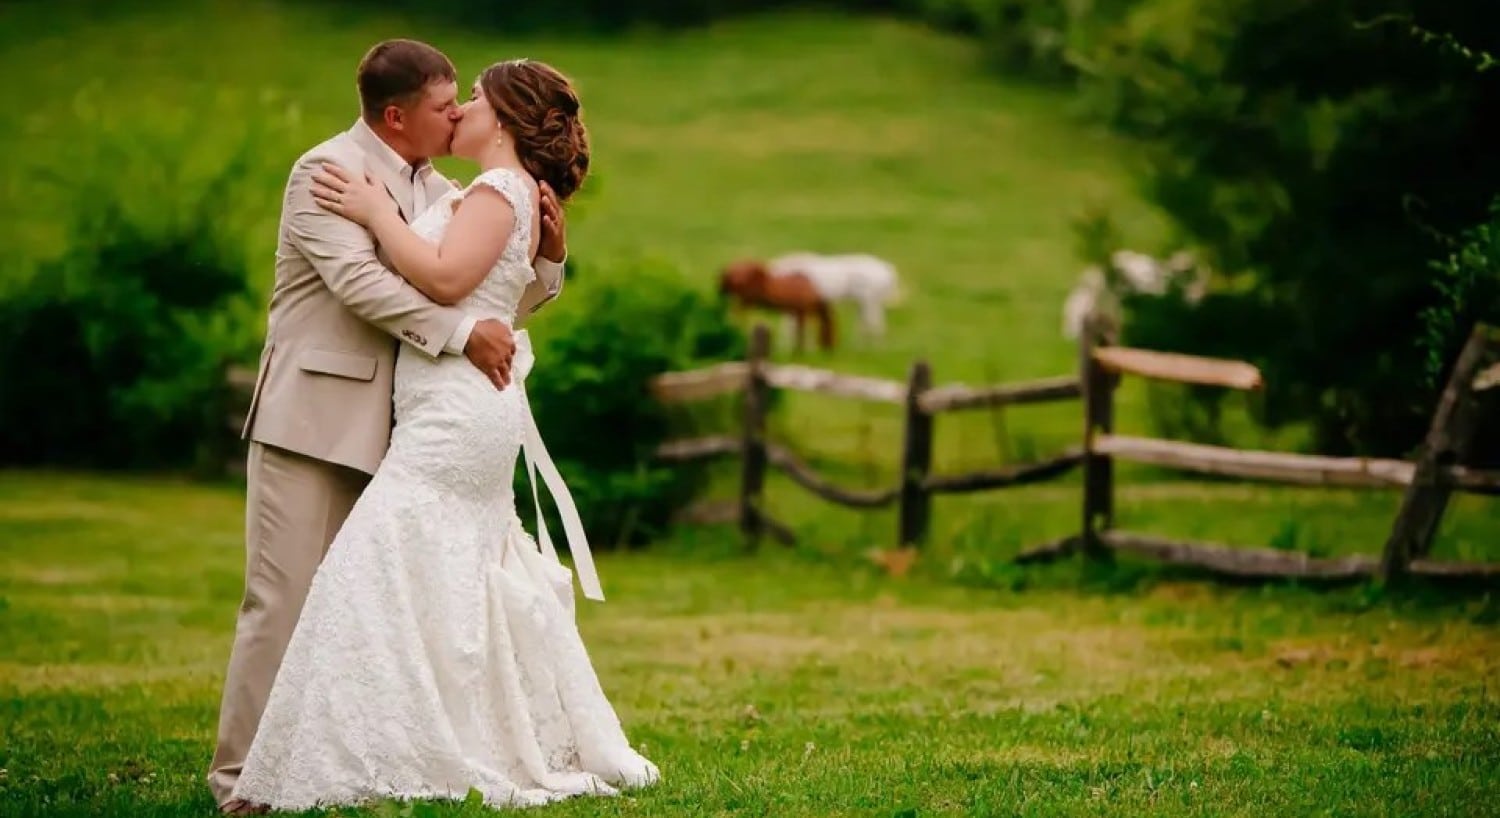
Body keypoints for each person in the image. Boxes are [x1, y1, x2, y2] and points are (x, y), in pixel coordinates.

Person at [210, 41, 655, 814]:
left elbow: (481, 286)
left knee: (375, 601)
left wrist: (549, 262)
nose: (457, 115)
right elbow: (360, 283)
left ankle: (351, 756)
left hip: (412, 422)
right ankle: (242, 779)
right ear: (397, 114)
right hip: (316, 414)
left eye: (466, 101)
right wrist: (458, 335)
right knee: (283, 600)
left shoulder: (450, 186)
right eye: (445, 105)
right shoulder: (326, 174)